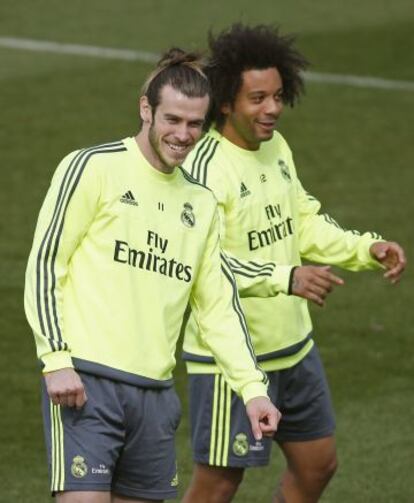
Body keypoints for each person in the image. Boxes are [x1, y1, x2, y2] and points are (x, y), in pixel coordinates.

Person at [24, 48, 281, 503]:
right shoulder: (93, 167)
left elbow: (219, 308)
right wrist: (56, 359)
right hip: (86, 385)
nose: (183, 135)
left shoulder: (201, 204)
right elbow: (47, 264)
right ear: (146, 109)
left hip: (156, 399)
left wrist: (253, 389)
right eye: (173, 120)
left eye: (194, 124)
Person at [181, 24, 406, 503]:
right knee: (218, 485)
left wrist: (366, 249)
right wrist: (286, 277)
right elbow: (205, 266)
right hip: (231, 359)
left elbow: (301, 222)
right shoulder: (204, 170)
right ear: (225, 102)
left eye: (279, 95)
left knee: (318, 464)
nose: (273, 109)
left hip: (293, 348)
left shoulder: (276, 149)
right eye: (258, 98)